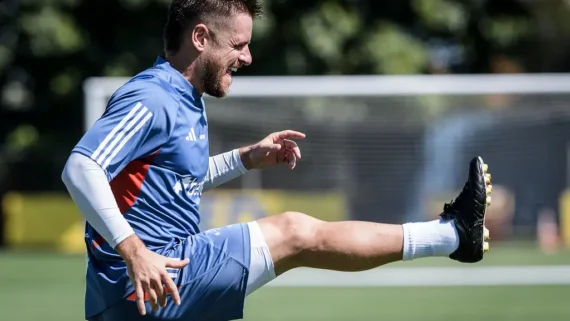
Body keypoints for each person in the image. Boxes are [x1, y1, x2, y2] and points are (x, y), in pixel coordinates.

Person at [61, 1, 493, 320]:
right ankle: (453, 235)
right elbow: (81, 167)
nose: (247, 57)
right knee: (294, 231)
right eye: (239, 45)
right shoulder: (152, 96)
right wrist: (134, 250)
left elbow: (178, 181)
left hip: (147, 289)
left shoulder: (185, 99)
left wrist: (245, 159)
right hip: (148, 280)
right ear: (200, 39)